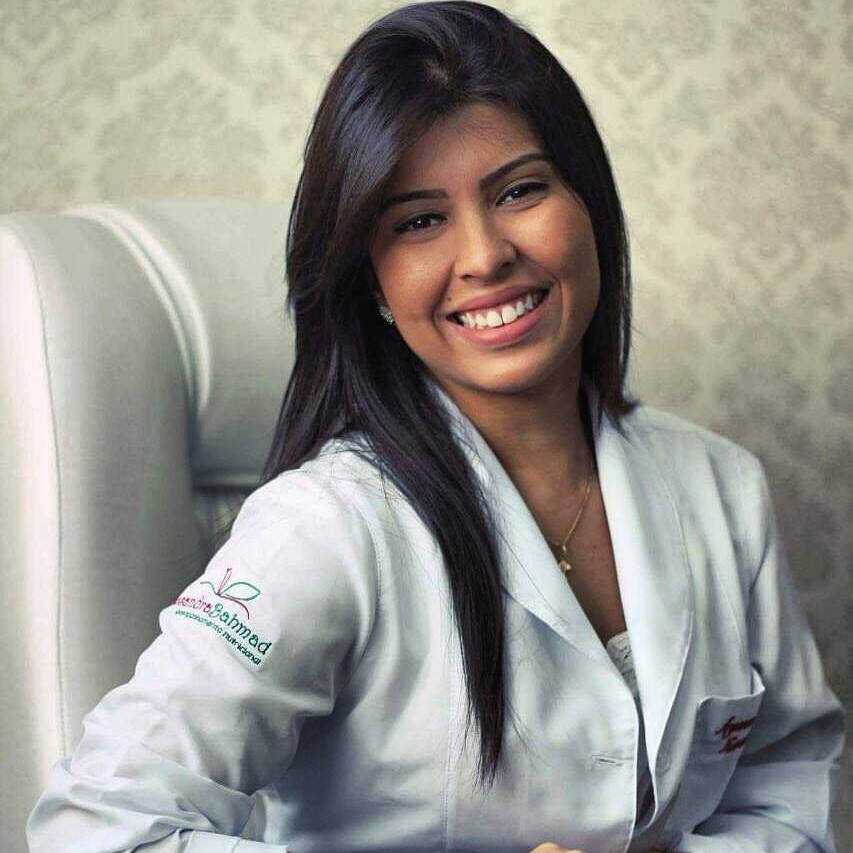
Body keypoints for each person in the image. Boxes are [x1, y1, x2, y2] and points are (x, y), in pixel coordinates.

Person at [26, 2, 844, 852]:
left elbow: (785, 790)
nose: (485, 255)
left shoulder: (721, 486)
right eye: (419, 221)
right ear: (373, 283)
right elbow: (97, 826)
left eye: (519, 191)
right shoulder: (324, 526)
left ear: (589, 207)